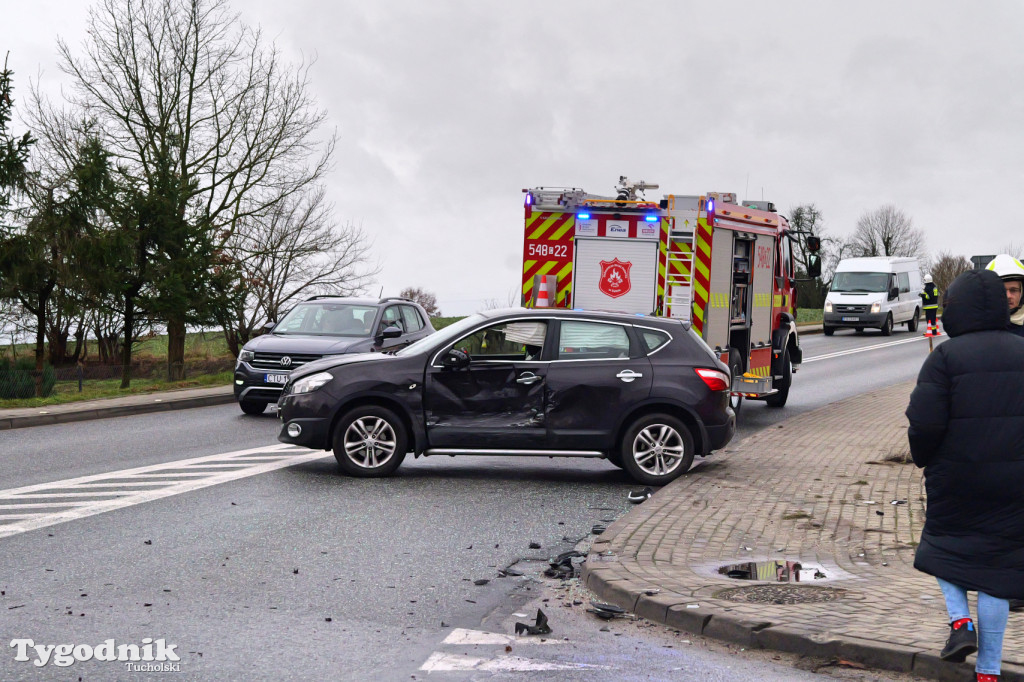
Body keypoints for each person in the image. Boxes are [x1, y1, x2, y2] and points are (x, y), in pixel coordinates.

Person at [905, 269, 1024, 682]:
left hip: (957, 478)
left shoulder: (945, 358)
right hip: (1015, 484)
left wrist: (924, 458)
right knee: (997, 574)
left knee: (943, 547)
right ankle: (988, 673)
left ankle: (960, 624)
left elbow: (924, 423)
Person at [986, 254, 1024, 337]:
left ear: (1022, 293)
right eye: (1001, 290)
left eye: (1013, 290)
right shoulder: (980, 329)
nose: (1008, 296)